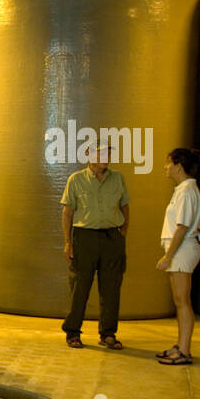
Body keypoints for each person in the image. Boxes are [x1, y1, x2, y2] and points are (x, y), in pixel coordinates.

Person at [61, 142, 130, 349]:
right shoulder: (76, 179)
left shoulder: (117, 178)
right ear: (89, 155)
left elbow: (125, 206)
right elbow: (68, 212)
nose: (106, 158)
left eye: (109, 154)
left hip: (112, 238)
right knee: (80, 286)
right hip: (85, 238)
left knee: (111, 288)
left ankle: (108, 333)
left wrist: (123, 232)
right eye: (101, 154)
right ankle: (73, 332)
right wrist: (67, 242)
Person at [155, 148, 200, 366]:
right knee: (179, 301)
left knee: (183, 302)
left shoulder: (186, 191)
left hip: (182, 250)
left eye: (168, 163)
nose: (166, 167)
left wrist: (168, 256)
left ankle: (184, 350)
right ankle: (180, 345)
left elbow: (182, 227)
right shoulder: (183, 189)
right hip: (180, 250)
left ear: (178, 165)